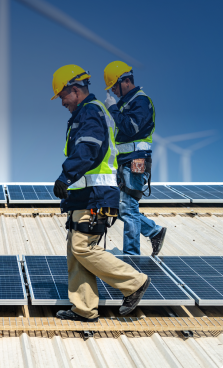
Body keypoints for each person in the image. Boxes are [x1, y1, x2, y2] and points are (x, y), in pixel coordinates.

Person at [51, 64, 151, 322]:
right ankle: (84, 308)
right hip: (84, 197)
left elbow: (88, 149)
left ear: (74, 90)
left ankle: (134, 282)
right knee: (75, 250)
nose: (62, 102)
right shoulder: (86, 113)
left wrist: (66, 176)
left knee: (83, 248)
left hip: (96, 195)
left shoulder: (91, 112)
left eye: (62, 96)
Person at [104, 61, 166, 256]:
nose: (113, 90)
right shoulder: (125, 104)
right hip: (125, 162)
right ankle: (154, 231)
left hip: (136, 161)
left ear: (126, 81)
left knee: (128, 209)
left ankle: (131, 257)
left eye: (114, 85)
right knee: (122, 208)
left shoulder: (140, 101)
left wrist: (113, 110)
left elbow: (131, 128)